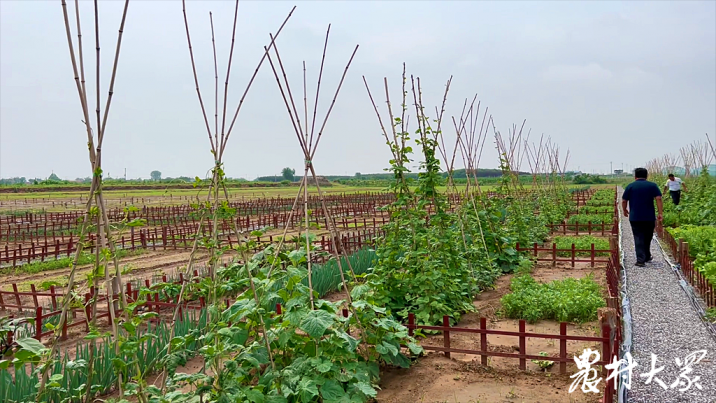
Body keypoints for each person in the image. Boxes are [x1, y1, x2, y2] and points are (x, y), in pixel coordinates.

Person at [622, 168, 663, 267]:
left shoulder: (631, 186)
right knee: (648, 237)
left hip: (635, 217)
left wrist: (624, 210)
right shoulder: (652, 186)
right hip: (649, 217)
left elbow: (624, 200)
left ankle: (641, 260)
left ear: (635, 176)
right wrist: (660, 213)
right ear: (646, 176)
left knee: (638, 237)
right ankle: (647, 256)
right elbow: (658, 198)